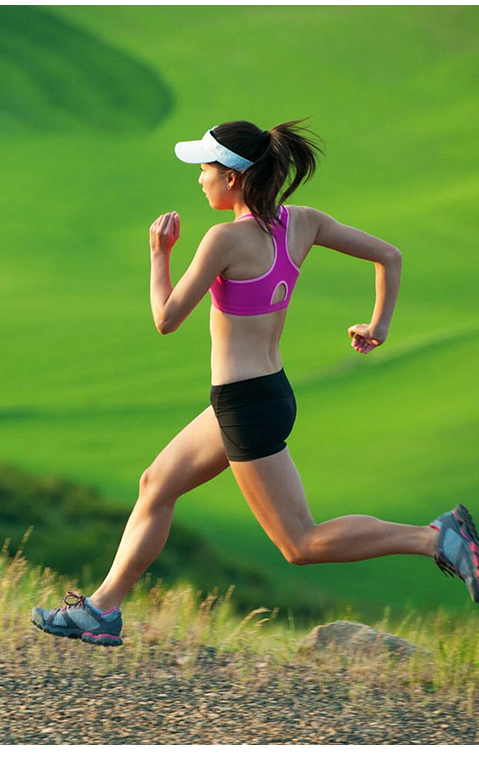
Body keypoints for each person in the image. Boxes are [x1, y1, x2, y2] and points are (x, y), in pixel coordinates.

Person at [31, 118, 478, 647]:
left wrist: (159, 254)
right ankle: (102, 610)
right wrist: (378, 327)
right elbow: (390, 255)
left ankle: (435, 538)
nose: (199, 178)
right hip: (262, 395)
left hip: (244, 407)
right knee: (156, 484)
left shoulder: (224, 240)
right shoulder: (302, 223)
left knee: (300, 543)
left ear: (233, 178)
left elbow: (166, 318)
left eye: (205, 168)